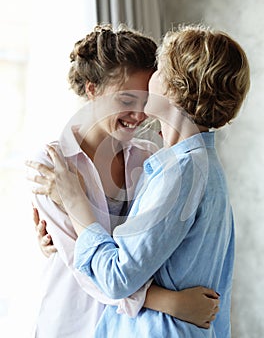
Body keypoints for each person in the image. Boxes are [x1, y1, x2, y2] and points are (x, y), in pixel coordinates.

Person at [41, 23, 250, 337]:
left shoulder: (178, 171)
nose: (150, 80)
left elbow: (116, 277)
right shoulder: (188, 165)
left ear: (174, 86)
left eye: (160, 69)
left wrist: (75, 204)